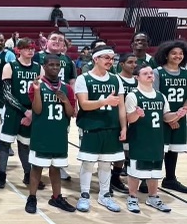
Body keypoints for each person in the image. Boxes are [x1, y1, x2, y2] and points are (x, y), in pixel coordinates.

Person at [126, 64, 184, 213]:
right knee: (135, 171)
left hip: (157, 139)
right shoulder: (133, 95)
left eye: (151, 73)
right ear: (137, 77)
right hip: (139, 139)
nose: (150, 75)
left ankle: (153, 197)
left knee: (155, 171)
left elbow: (166, 117)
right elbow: (129, 119)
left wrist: (177, 114)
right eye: (145, 73)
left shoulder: (160, 96)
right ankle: (132, 197)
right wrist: (136, 114)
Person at [75, 45, 126, 213]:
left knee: (106, 164)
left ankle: (105, 196)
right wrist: (104, 101)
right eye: (106, 58)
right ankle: (84, 195)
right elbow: (84, 105)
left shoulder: (115, 79)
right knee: (88, 163)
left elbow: (121, 107)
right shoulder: (84, 78)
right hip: (91, 127)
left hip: (111, 127)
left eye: (112, 58)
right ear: (95, 59)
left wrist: (124, 127)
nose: (110, 61)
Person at [25, 55, 77, 214]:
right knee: (37, 167)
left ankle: (56, 197)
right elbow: (37, 110)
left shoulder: (67, 88)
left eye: (57, 65)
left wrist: (65, 101)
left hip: (59, 133)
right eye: (51, 65)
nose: (55, 67)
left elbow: (71, 114)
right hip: (41, 133)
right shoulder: (36, 84)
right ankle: (32, 197)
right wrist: (38, 91)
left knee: (56, 167)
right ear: (44, 66)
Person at [0, 38, 42, 189]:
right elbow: (7, 94)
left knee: (25, 145)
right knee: (5, 143)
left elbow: (40, 93)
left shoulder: (38, 68)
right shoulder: (10, 66)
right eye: (27, 48)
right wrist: (25, 111)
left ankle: (28, 174)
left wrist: (32, 113)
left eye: (32, 48)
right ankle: (1, 174)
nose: (30, 51)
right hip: (12, 111)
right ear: (19, 50)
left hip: (30, 111)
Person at [153, 40, 187, 193]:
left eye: (180, 53)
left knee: (173, 148)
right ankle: (149, 180)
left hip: (180, 116)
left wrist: (179, 114)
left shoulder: (186, 73)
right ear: (166, 55)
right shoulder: (157, 72)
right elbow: (155, 96)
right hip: (160, 114)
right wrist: (168, 117)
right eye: (174, 53)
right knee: (159, 148)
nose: (178, 56)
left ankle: (170, 179)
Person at [113, 53, 138, 191]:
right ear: (122, 64)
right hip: (119, 119)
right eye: (130, 62)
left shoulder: (137, 81)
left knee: (129, 151)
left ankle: (128, 177)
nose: (134, 65)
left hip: (134, 120)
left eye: (135, 62)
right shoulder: (115, 79)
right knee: (118, 152)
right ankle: (114, 178)